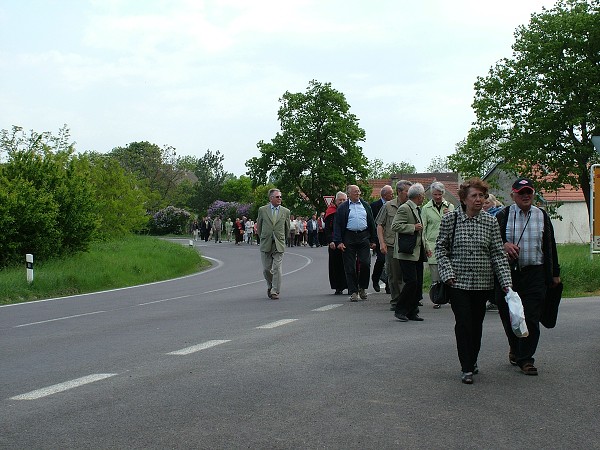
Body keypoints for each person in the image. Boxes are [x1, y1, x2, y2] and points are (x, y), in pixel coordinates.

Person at [436, 178, 512, 384]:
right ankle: (466, 366)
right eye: (474, 196)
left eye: (482, 196)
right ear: (464, 199)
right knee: (463, 323)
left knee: (476, 324)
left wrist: (506, 282)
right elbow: (441, 249)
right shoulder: (450, 219)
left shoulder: (490, 221)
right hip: (457, 283)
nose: (479, 200)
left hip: (482, 282)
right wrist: (447, 273)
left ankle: (473, 360)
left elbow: (497, 253)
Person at [494, 177, 561, 376]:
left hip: (535, 274)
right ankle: (515, 347)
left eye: (528, 192)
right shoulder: (503, 215)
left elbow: (550, 246)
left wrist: (555, 274)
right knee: (509, 315)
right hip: (509, 275)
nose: (525, 196)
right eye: (521, 193)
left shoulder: (542, 215)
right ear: (513, 194)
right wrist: (504, 244)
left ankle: (526, 359)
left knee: (531, 317)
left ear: (533, 194)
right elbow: (493, 242)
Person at [333, 185, 377, 302]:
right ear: (349, 194)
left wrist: (373, 240)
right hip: (349, 237)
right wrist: (339, 242)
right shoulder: (343, 207)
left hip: (363, 236)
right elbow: (337, 225)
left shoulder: (365, 205)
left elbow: (372, 222)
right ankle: (353, 291)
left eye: (358, 191)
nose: (358, 193)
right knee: (350, 266)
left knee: (365, 263)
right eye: (355, 191)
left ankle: (362, 287)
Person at [392, 183, 427, 322]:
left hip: (417, 251)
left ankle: (412, 311)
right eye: (423, 195)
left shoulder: (417, 209)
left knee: (417, 284)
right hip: (406, 252)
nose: (424, 197)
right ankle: (400, 309)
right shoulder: (405, 208)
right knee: (411, 282)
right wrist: (412, 227)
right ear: (419, 196)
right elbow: (395, 225)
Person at [376, 180, 412, 310]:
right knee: (394, 274)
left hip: (408, 245)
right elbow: (380, 225)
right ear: (399, 192)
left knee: (407, 275)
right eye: (407, 191)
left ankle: (407, 300)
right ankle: (396, 301)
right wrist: (382, 243)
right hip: (391, 244)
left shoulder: (412, 206)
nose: (409, 194)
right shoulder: (388, 206)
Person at [422, 181, 455, 309]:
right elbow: (423, 228)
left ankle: (451, 297)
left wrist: (449, 216)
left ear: (443, 193)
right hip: (432, 244)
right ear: (432, 194)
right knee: (436, 275)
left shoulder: (450, 207)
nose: (437, 196)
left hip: (448, 244)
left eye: (440, 194)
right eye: (435, 194)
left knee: (449, 273)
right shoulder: (426, 208)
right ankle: (437, 298)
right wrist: (426, 246)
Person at [257, 188, 291, 300]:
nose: (280, 198)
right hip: (266, 242)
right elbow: (259, 226)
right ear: (271, 198)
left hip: (279, 243)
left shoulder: (286, 211)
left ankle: (275, 291)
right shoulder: (262, 210)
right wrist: (263, 237)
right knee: (266, 269)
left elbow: (287, 228)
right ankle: (270, 286)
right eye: (277, 197)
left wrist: (282, 240)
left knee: (277, 268)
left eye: (280, 196)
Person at [325, 192, 348, 295]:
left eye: (344, 200)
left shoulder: (350, 210)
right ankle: (338, 287)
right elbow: (328, 229)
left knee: (349, 265)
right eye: (340, 200)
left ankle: (350, 285)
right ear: (336, 201)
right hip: (334, 242)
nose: (342, 202)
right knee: (336, 266)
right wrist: (331, 241)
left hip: (347, 241)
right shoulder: (331, 212)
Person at [371, 185, 393, 293]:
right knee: (381, 260)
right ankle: (375, 279)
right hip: (378, 237)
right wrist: (372, 240)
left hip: (390, 237)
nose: (392, 195)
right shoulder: (374, 206)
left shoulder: (394, 205)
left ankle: (389, 285)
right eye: (390, 193)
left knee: (390, 262)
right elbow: (372, 223)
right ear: (384, 195)